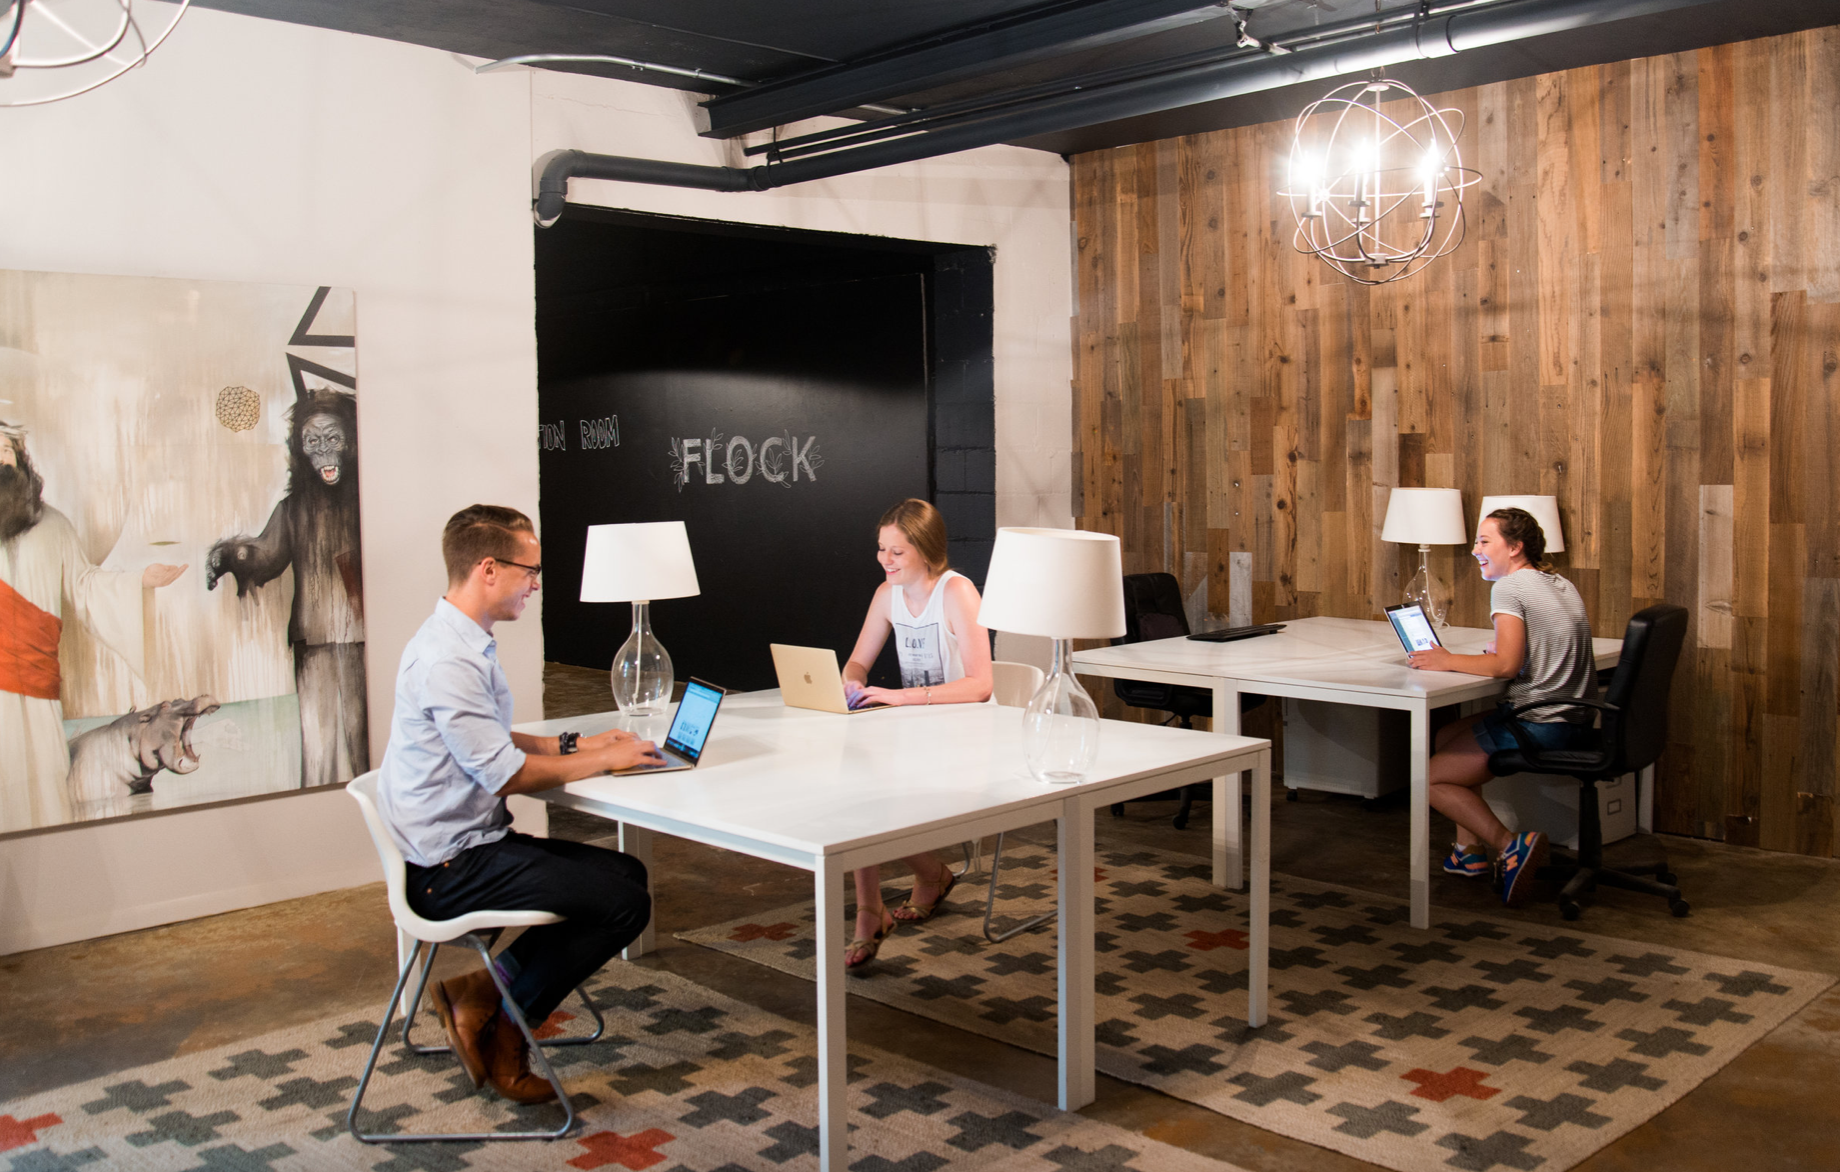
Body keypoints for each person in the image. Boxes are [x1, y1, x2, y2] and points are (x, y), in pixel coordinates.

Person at [376, 504, 664, 1104]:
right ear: (488, 568)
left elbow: (490, 739)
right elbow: (505, 773)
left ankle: (481, 991)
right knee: (624, 905)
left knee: (628, 874)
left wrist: (580, 743)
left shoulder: (457, 641)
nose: (536, 584)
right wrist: (605, 761)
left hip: (462, 848)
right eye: (529, 570)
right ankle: (507, 1026)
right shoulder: (448, 660)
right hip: (448, 872)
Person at [1406, 506, 1598, 908]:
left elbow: (1505, 666)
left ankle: (1510, 847)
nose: (1475, 549)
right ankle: (1468, 854)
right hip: (1574, 716)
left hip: (1541, 721)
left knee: (1427, 777)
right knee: (1445, 736)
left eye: (1484, 541)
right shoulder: (1558, 583)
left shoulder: (1510, 588)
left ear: (1515, 547)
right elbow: (1535, 649)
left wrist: (1445, 659)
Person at [0, 422, 186, 833]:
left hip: (35, 675)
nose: (1, 459)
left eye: (7, 450)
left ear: (21, 457)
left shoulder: (52, 524)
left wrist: (140, 580)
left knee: (43, 783)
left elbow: (84, 586)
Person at [837, 498, 993, 972]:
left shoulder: (957, 593)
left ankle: (880, 909)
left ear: (925, 550)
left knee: (866, 797)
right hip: (917, 733)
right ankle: (906, 891)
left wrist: (900, 698)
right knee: (855, 788)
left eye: (897, 552)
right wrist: (852, 683)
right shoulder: (887, 595)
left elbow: (981, 685)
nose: (886, 560)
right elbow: (858, 660)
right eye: (882, 549)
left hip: (968, 737)